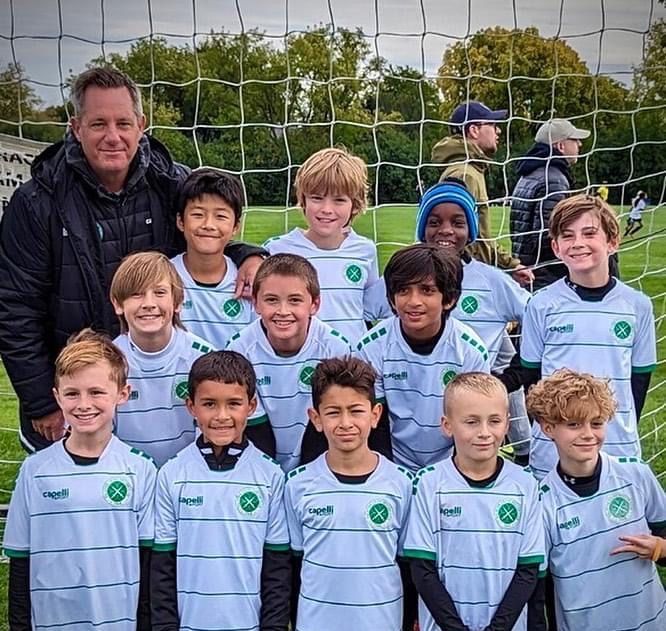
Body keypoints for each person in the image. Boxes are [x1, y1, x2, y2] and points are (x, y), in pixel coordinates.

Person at [0, 66, 264, 453]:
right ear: (76, 128)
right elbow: (14, 307)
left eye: (123, 123)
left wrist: (249, 255)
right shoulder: (37, 201)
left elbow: (207, 232)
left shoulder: (171, 183)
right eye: (98, 124)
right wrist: (42, 400)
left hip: (154, 388)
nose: (113, 136)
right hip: (77, 397)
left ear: (141, 125)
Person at [3, 329, 157, 630]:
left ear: (122, 393)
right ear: (57, 397)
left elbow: (149, 564)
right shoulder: (35, 471)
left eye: (96, 392)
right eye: (72, 394)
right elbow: (20, 561)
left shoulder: (141, 470)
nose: (84, 404)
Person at [151, 350, 290, 631]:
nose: (222, 416)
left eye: (234, 404)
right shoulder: (171, 475)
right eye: (209, 404)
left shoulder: (271, 476)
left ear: (251, 406)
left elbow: (277, 571)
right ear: (191, 406)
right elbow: (162, 569)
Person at [520, 194, 656, 480]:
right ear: (556, 247)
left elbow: (639, 381)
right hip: (553, 450)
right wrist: (553, 428)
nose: (578, 243)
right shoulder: (541, 304)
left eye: (589, 233)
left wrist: (616, 423)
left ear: (612, 241)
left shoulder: (637, 305)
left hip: (616, 444)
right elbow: (531, 379)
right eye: (567, 235)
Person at [403, 372, 545, 631]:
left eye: (494, 421)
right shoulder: (428, 484)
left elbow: (528, 570)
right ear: (447, 425)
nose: (484, 432)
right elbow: (422, 570)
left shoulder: (526, 485)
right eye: (471, 422)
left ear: (507, 424)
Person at [527, 369, 666, 630]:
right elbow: (539, 590)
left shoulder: (635, 474)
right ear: (548, 428)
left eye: (597, 423)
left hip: (650, 623)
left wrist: (660, 548)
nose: (588, 434)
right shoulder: (542, 502)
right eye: (574, 424)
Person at [285, 356, 413, 630]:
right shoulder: (297, 485)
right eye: (333, 412)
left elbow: (408, 566)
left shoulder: (402, 484)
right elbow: (294, 566)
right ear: (316, 418)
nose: (345, 423)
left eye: (356, 411)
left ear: (375, 415)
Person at [414, 179, 533, 464]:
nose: (445, 230)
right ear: (421, 228)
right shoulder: (407, 276)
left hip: (473, 422)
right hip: (415, 413)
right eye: (434, 222)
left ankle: (524, 451)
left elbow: (539, 318)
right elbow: (366, 309)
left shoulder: (491, 281)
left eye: (457, 223)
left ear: (470, 230)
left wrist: (513, 376)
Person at [355, 244, 490, 472]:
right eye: (403, 290)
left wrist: (452, 474)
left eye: (427, 290)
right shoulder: (371, 347)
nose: (413, 301)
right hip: (392, 461)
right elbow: (374, 423)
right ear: (391, 298)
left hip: (451, 463)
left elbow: (473, 421)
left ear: (449, 299)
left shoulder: (470, 351)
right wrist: (388, 474)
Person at [227, 254, 353, 471]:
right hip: (258, 461)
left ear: (314, 304)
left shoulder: (335, 349)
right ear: (255, 303)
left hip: (317, 461)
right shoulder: (239, 350)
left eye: (295, 300)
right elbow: (252, 426)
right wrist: (270, 475)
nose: (283, 311)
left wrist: (304, 476)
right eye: (271, 300)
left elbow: (333, 421)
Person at [263, 147, 380, 342]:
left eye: (339, 200)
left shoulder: (365, 250)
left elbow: (368, 307)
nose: (326, 209)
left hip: (351, 357)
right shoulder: (277, 249)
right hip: (299, 356)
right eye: (317, 198)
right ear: (303, 199)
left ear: (355, 204)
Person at [110, 251, 216, 466]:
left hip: (188, 474)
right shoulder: (108, 362)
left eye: (159, 292)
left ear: (178, 302)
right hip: (126, 474)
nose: (149, 303)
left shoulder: (204, 358)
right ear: (118, 304)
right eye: (136, 294)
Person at [431, 100, 533, 285]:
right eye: (492, 125)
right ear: (474, 130)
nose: (498, 131)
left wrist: (510, 264)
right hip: (467, 281)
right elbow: (459, 239)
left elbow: (482, 237)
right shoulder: (464, 174)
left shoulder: (473, 170)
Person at [171, 168, 256, 349]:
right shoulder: (165, 277)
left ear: (236, 227)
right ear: (180, 221)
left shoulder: (248, 280)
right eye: (198, 215)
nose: (208, 225)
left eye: (220, 216)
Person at [510, 118, 590, 289]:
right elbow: (546, 235)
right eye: (574, 140)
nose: (580, 144)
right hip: (545, 275)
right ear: (560, 146)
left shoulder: (529, 174)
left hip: (527, 268)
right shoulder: (554, 179)